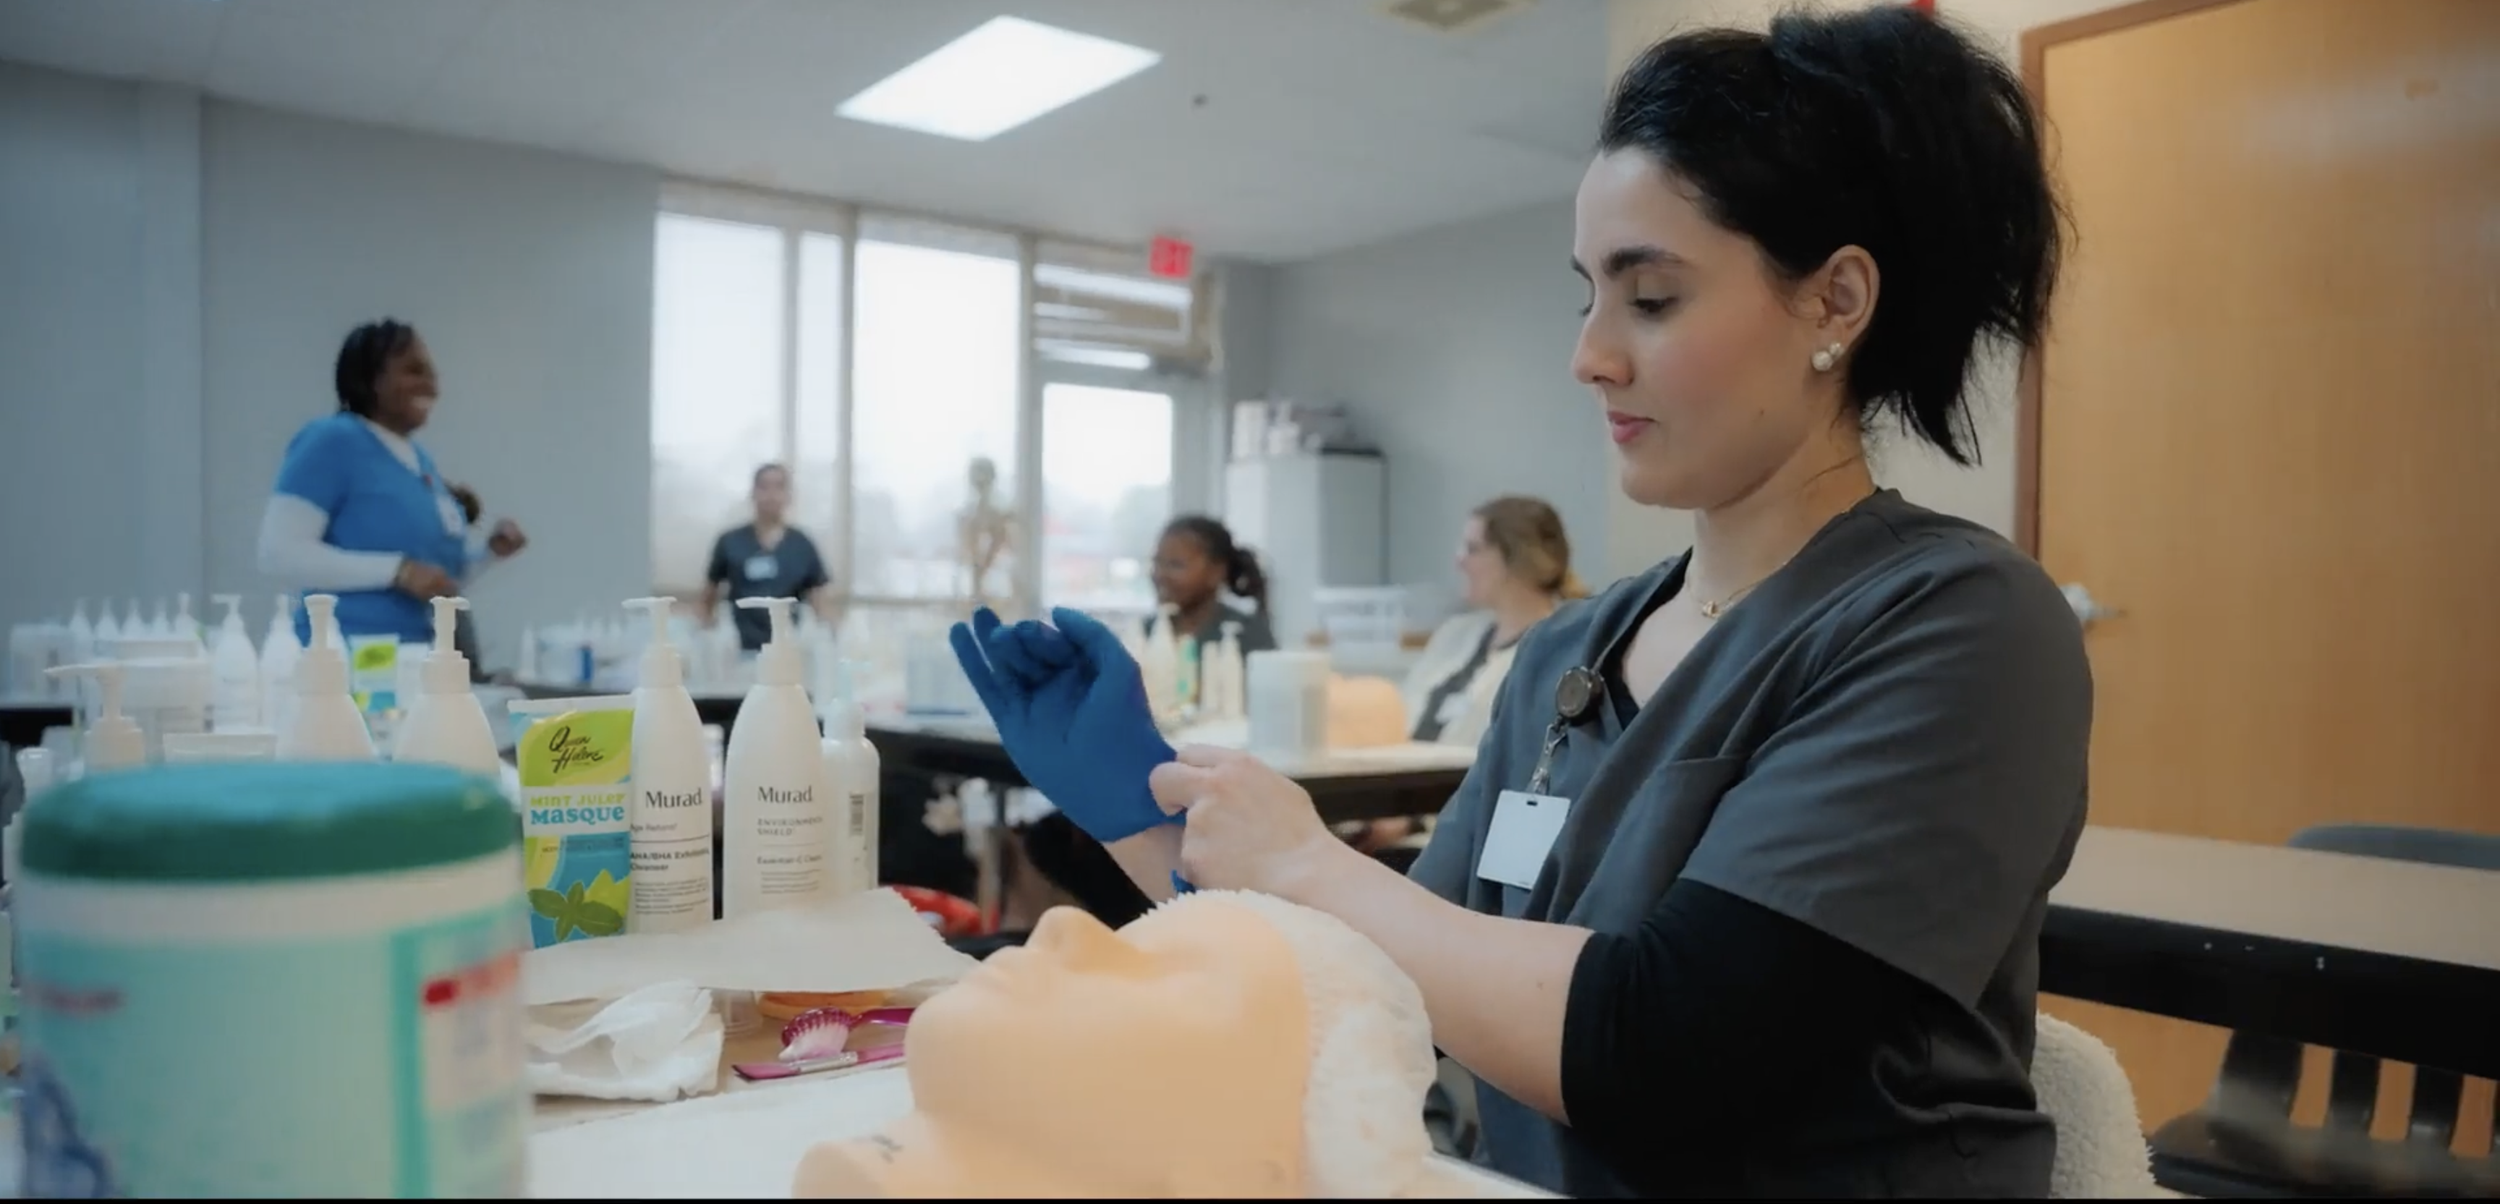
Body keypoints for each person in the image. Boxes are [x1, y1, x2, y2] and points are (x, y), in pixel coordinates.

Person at [948, 7, 2089, 1198]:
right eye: (1586, 295)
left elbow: (1667, 1047)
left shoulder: (1958, 625)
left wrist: (1310, 860)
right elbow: (1388, 981)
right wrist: (1142, 815)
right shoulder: (1571, 652)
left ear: (1835, 303)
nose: (1590, 354)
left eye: (1649, 298)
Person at [1352, 496, 1588, 868]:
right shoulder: (1456, 634)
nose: (1459, 560)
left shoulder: (1561, 649)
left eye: (1473, 548)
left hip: (1455, 838)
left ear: (1515, 557)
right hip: (1392, 810)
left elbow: (1526, 772)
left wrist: (1410, 819)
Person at [258, 320, 527, 644]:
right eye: (414, 371)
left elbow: (439, 583)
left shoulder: (420, 462)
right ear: (371, 379)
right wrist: (397, 571)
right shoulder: (333, 440)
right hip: (342, 658)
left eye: (432, 375)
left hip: (414, 656)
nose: (431, 386)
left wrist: (490, 553)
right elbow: (278, 553)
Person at [702, 463, 835, 652]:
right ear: (753, 492)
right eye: (764, 487)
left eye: (779, 487)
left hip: (789, 649)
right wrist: (705, 639)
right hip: (740, 651)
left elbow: (820, 602)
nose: (771, 495)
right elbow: (707, 598)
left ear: (789, 495)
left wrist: (830, 638)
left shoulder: (802, 544)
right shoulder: (730, 542)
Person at [1146, 515, 1278, 655]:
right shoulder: (1146, 631)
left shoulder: (1247, 634)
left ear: (1216, 573)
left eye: (1176, 565)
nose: (1160, 575)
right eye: (1157, 563)